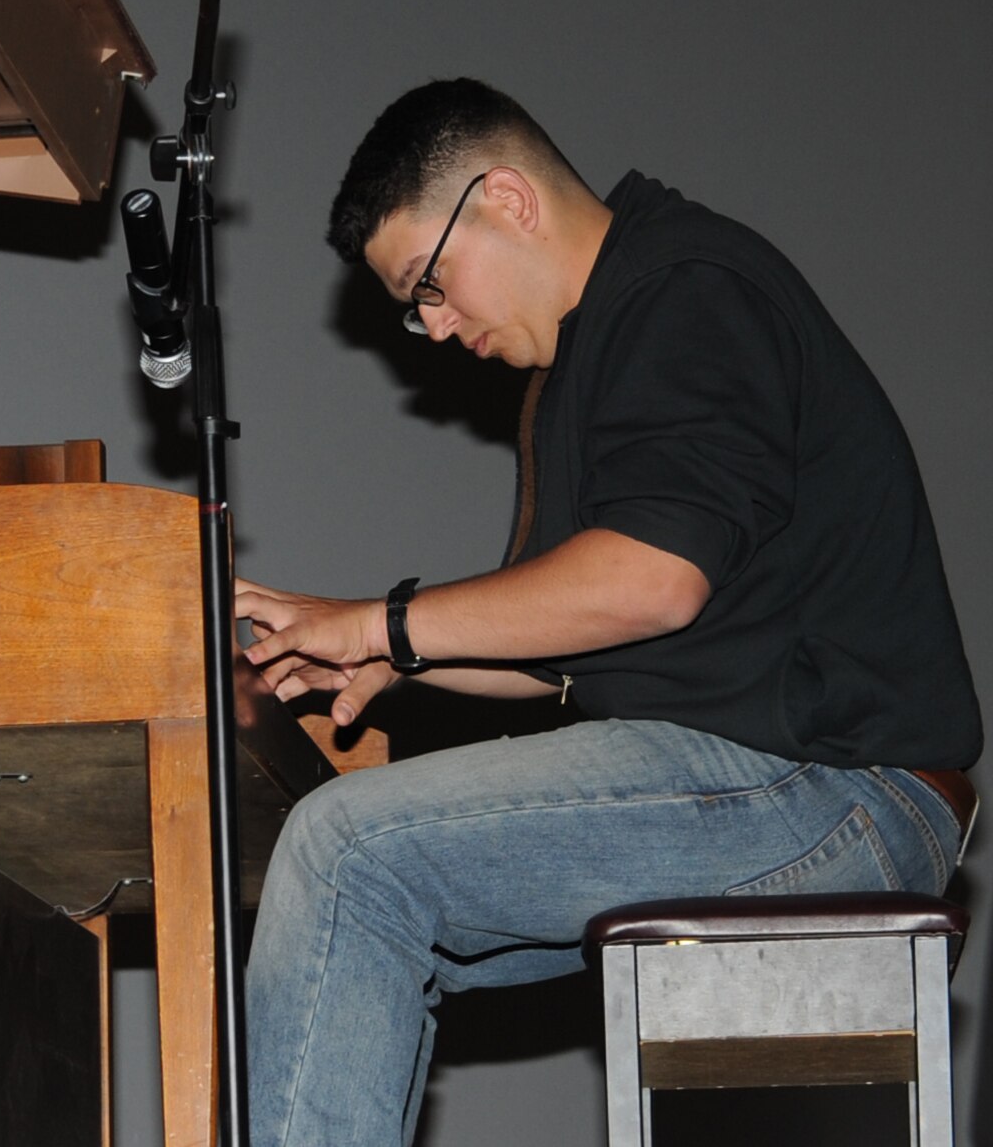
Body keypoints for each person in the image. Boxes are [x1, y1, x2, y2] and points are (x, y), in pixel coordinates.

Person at [237, 78, 980, 1147]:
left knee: (345, 855)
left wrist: (383, 623)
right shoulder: (591, 351)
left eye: (428, 284)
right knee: (372, 907)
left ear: (505, 197)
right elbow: (561, 654)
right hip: (783, 776)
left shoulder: (682, 288)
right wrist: (401, 655)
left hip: (828, 784)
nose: (433, 328)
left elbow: (648, 582)